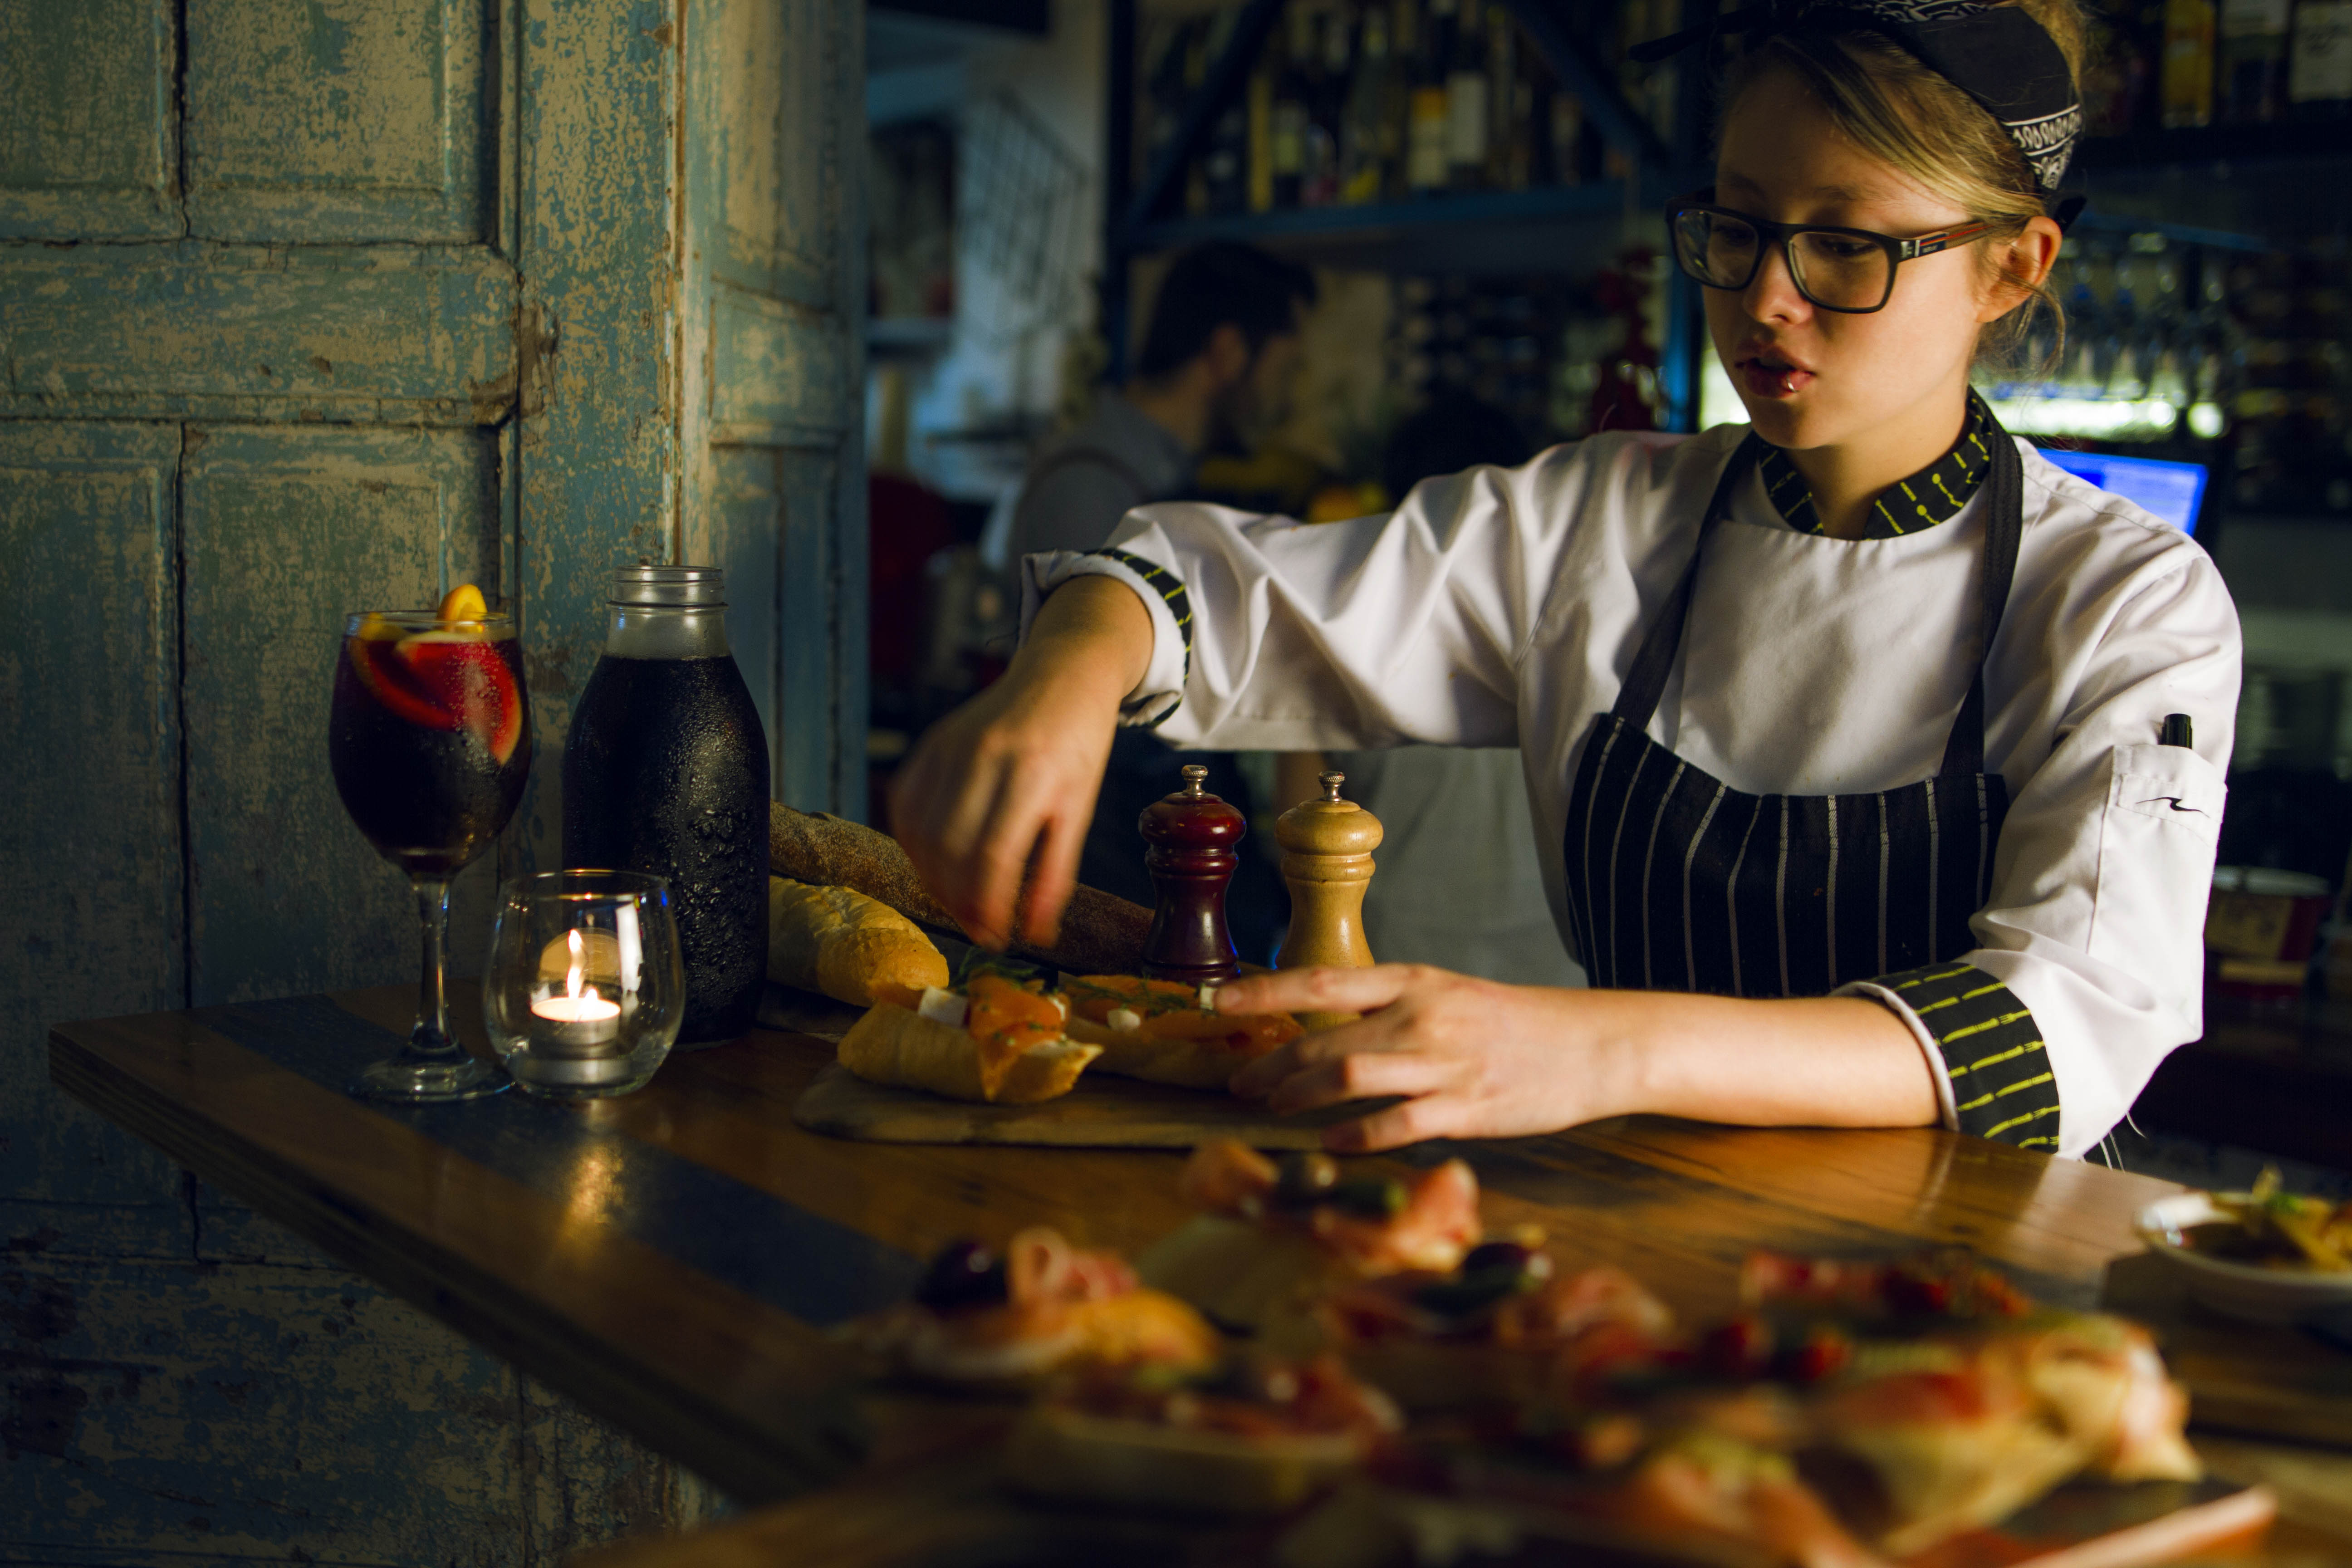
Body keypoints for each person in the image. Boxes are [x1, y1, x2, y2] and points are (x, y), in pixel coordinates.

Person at [895, 0, 2239, 1161]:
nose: (1767, 298)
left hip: (1968, 1313)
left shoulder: (2128, 603)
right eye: (1739, 225)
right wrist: (1073, 665)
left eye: (1848, 246)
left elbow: (2062, 1025)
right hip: (1647, 1233)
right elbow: (1228, 590)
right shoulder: (1604, 523)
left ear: (2015, 265)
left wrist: (1597, 1051)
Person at [1002, 243, 1318, 957]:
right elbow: (1085, 709)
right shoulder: (1091, 485)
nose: (1289, 397)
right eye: (1286, 368)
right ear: (1230, 351)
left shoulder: (1176, 475)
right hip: (1110, 870)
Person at [1303, 392, 1586, 987]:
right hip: (1552, 980)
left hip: (1386, 960)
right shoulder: (1580, 623)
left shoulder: (1344, 626)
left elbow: (1300, 825)